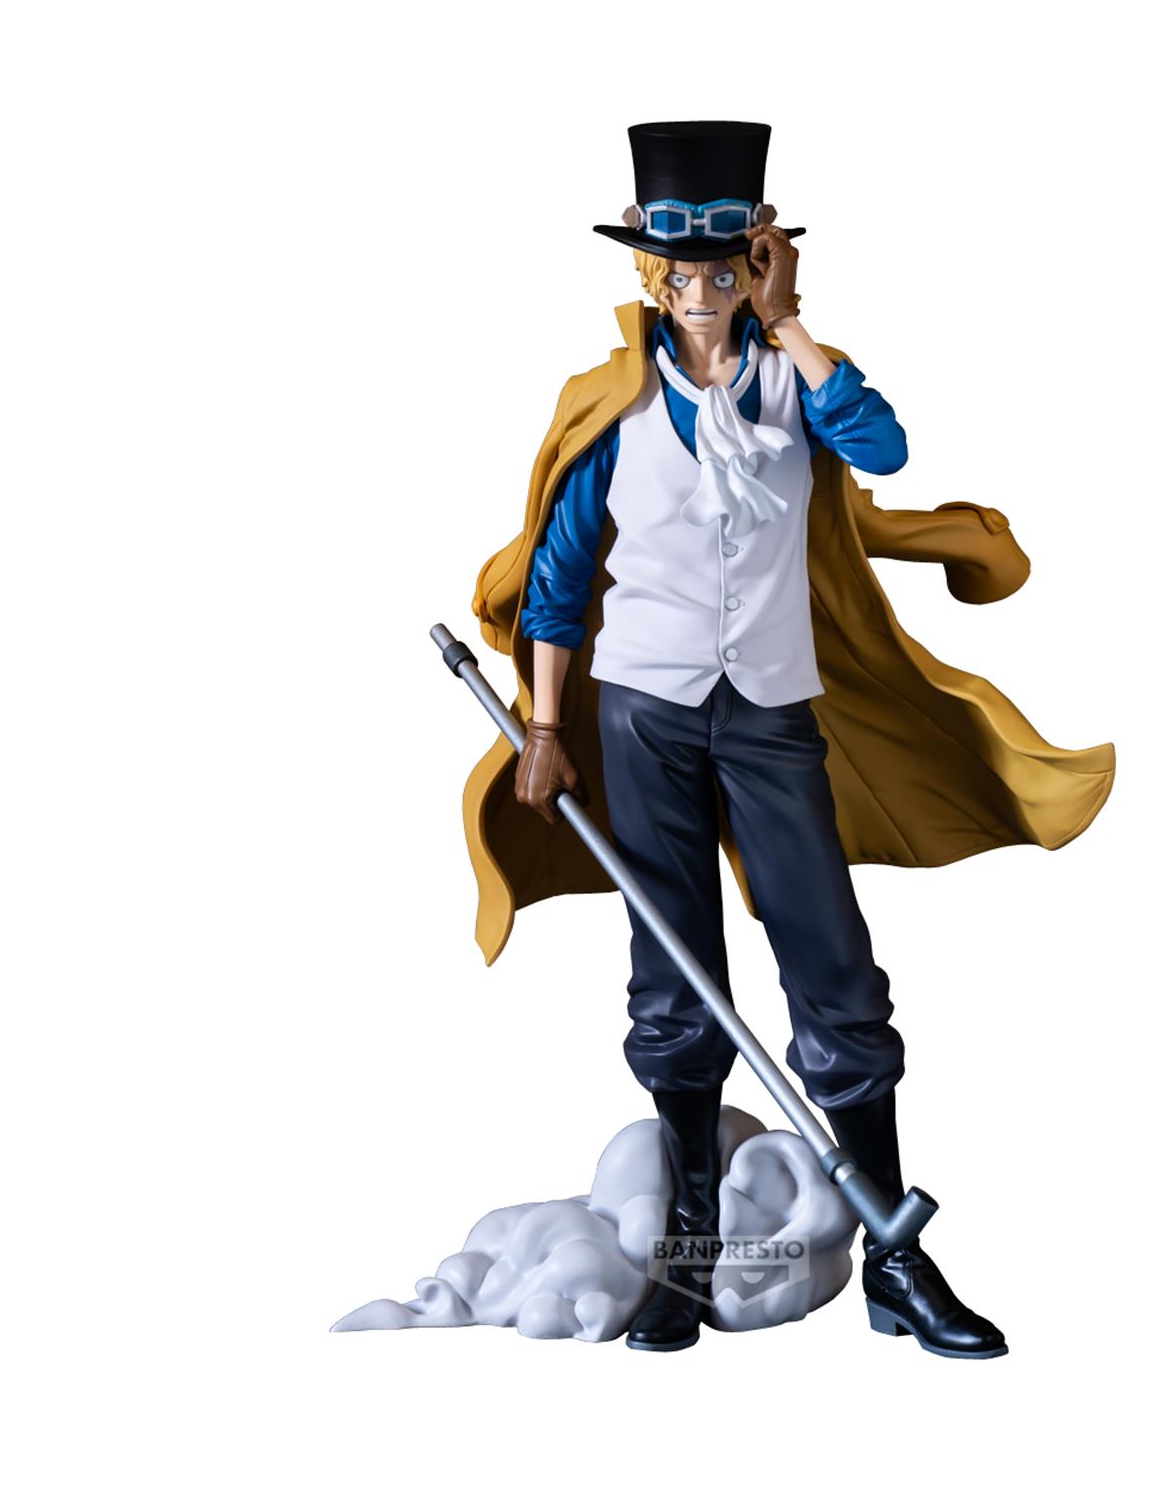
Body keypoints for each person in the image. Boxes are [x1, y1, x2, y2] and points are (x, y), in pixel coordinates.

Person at [463, 121, 1115, 1356]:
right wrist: (545, 725)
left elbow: (885, 447)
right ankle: (689, 1254)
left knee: (833, 966)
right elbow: (557, 582)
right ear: (651, 273)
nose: (704, 290)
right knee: (674, 973)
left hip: (769, 712)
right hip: (643, 714)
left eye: (729, 265)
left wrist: (794, 321)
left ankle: (895, 1261)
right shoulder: (610, 407)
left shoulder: (799, 384)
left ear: (758, 259)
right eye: (684, 269)